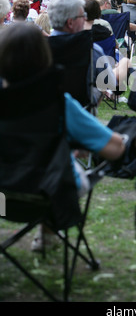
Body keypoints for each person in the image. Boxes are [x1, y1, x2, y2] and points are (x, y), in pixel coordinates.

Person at [0, 22, 125, 251]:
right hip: (47, 196)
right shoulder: (58, 103)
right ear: (45, 56)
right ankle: (47, 234)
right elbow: (114, 148)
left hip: (2, 200)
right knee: (67, 170)